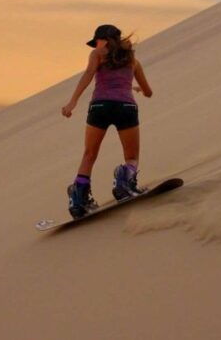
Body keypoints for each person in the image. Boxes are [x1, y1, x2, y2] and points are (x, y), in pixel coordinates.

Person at [61, 24, 154, 218]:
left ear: (103, 40)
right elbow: (149, 93)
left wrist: (72, 102)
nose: (96, 45)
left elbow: (88, 75)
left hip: (100, 107)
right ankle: (124, 182)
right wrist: (134, 88)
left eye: (96, 41)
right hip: (125, 108)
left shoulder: (97, 54)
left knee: (89, 154)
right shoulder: (132, 60)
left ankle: (79, 199)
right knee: (131, 157)